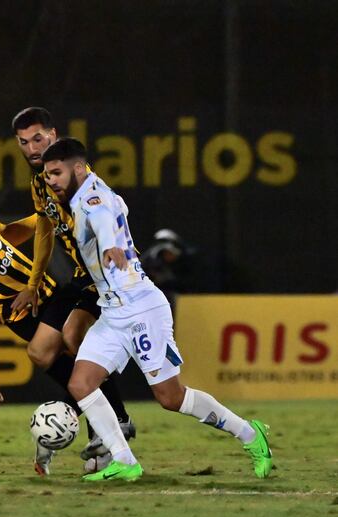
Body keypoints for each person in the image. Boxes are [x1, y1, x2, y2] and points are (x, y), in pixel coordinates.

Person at [40, 137, 273, 482]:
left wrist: (109, 247)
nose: (51, 181)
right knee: (81, 383)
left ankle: (251, 435)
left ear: (77, 168)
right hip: (113, 311)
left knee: (171, 397)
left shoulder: (91, 199)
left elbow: (104, 219)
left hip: (141, 308)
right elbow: (118, 209)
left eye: (56, 173)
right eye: (46, 176)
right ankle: (125, 460)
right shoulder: (93, 191)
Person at [0, 177, 133, 476]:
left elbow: (4, 235)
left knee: (72, 350)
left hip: (45, 289)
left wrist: (42, 219)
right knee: (73, 371)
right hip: (20, 315)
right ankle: (100, 432)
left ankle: (104, 428)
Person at [10, 107, 134, 463]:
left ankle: (110, 427)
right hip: (79, 278)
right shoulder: (42, 182)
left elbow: (106, 211)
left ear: (53, 135)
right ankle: (105, 415)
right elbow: (45, 229)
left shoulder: (79, 179)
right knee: (40, 351)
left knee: (75, 338)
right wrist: (33, 284)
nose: (32, 148)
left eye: (38, 138)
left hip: (106, 277)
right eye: (23, 142)